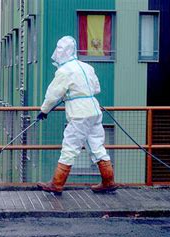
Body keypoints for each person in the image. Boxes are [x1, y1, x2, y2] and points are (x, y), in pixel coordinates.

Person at [36, 36, 118, 195]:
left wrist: (44, 111)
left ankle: (57, 184)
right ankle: (108, 181)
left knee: (70, 147)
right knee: (97, 145)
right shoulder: (87, 67)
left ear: (63, 51)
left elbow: (53, 94)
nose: (57, 52)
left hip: (79, 113)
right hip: (94, 110)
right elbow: (96, 89)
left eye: (59, 49)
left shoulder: (64, 71)